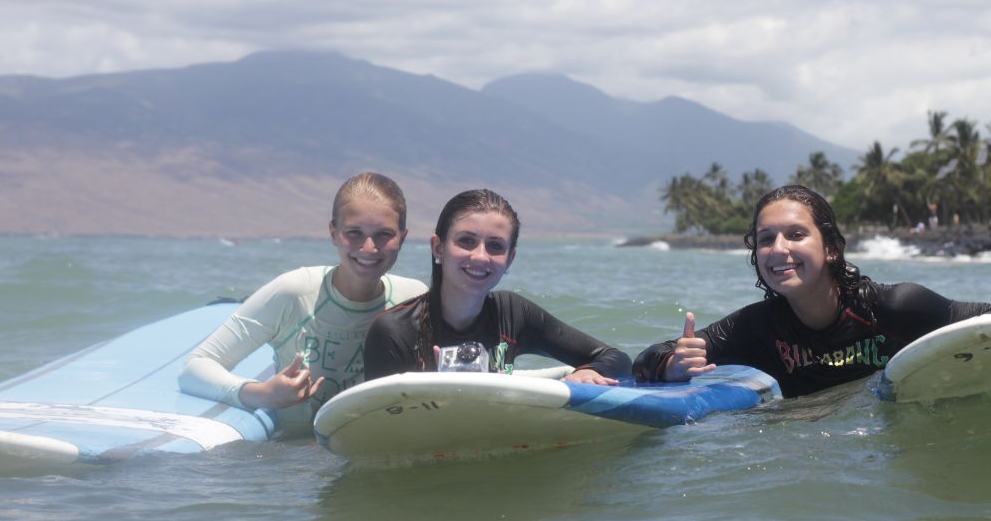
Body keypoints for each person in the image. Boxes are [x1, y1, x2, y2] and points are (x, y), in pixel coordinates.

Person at [633, 185, 991, 397]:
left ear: (831, 248)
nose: (778, 249)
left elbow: (979, 321)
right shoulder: (758, 328)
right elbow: (648, 360)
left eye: (796, 235)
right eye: (765, 239)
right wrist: (672, 366)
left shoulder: (891, 307)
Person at [178, 172, 427, 437]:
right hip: (292, 462)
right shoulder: (293, 293)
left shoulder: (413, 298)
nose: (369, 247)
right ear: (333, 232)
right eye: (354, 232)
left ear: (403, 236)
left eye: (383, 234)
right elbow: (195, 367)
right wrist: (263, 394)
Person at [364, 188, 631, 383]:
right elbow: (379, 431)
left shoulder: (513, 313)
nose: (480, 256)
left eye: (495, 246)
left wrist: (588, 372)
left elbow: (615, 358)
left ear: (510, 258)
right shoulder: (394, 331)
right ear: (438, 247)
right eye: (466, 241)